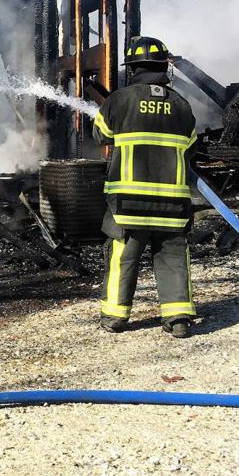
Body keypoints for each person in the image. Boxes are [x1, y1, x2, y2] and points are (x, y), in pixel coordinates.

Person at [92, 36, 198, 338]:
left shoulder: (119, 100)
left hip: (129, 205)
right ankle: (178, 318)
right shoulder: (182, 105)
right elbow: (191, 146)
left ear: (133, 68)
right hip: (173, 206)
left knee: (123, 258)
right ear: (164, 66)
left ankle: (115, 317)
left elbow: (101, 134)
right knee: (174, 257)